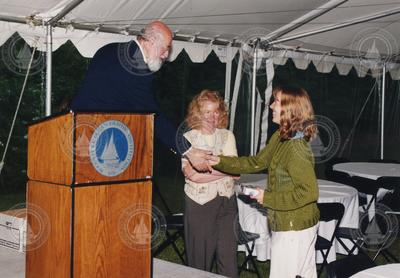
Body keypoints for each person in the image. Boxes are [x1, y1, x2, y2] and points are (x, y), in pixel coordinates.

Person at [209, 85, 320, 278]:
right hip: (287, 223)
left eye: (276, 101)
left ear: (290, 108)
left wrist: (267, 197)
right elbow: (256, 162)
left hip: (295, 228)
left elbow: (309, 192)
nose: (271, 106)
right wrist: (219, 161)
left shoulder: (295, 148)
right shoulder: (281, 136)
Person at [70, 20, 210, 171]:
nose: (166, 55)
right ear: (150, 42)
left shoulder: (109, 49)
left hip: (75, 131)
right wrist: (189, 151)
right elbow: (153, 116)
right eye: (165, 48)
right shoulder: (136, 71)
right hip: (96, 144)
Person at [182, 90, 239, 278]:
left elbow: (236, 170)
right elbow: (192, 176)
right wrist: (226, 169)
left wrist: (206, 169)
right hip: (199, 204)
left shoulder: (227, 135)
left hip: (228, 203)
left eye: (216, 111)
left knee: (229, 260)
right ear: (197, 114)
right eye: (207, 112)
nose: (212, 116)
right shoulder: (188, 139)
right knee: (200, 262)